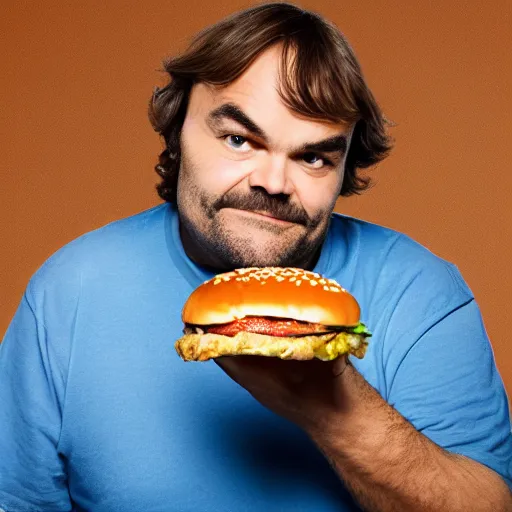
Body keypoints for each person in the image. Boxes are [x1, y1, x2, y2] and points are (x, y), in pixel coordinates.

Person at [0, 3, 511, 511]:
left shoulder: (421, 292)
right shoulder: (70, 290)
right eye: (239, 140)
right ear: (179, 131)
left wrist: (329, 405)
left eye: (313, 157)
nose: (273, 183)